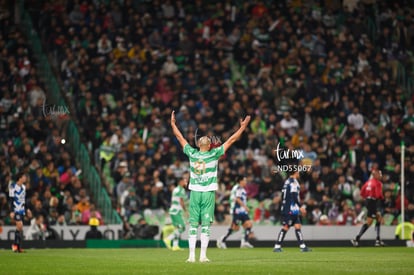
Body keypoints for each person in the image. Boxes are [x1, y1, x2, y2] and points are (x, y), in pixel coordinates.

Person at [170, 110, 251, 263]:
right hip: (207, 192)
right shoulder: (215, 153)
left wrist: (173, 124)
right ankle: (202, 256)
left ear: (200, 144)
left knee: (194, 224)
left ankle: (192, 257)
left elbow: (179, 137)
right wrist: (242, 128)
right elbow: (231, 140)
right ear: (208, 144)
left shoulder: (192, 153)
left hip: (195, 192)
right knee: (205, 224)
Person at [273, 170, 311, 252]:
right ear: (295, 172)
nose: (299, 173)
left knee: (297, 226)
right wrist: (300, 207)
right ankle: (277, 246)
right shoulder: (293, 182)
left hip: (291, 208)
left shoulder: (287, 181)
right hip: (290, 209)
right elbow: (294, 196)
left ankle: (302, 246)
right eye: (298, 171)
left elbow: (284, 195)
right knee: (286, 227)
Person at [217, 176, 254, 249]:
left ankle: (244, 241)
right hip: (237, 210)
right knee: (235, 228)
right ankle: (222, 240)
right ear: (240, 181)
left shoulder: (240, 188)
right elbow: (237, 199)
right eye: (244, 180)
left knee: (248, 224)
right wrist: (245, 207)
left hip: (242, 211)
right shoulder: (238, 188)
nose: (246, 182)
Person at [351, 168, 385, 247]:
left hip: (368, 201)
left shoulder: (367, 182)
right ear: (374, 174)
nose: (381, 175)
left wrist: (367, 198)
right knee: (369, 222)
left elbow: (362, 193)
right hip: (373, 202)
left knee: (378, 218)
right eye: (379, 174)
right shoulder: (378, 183)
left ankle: (377, 239)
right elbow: (378, 195)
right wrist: (382, 198)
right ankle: (356, 239)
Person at [163, 175, 188, 251]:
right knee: (182, 227)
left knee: (177, 228)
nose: (185, 182)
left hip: (173, 210)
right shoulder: (181, 190)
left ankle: (175, 245)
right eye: (184, 181)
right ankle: (168, 239)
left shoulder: (175, 189)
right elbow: (181, 201)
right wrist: (185, 210)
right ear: (180, 182)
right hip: (177, 211)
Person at [9, 172, 31, 253]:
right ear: (20, 178)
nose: (25, 178)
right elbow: (11, 199)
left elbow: (24, 200)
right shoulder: (13, 187)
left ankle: (17, 246)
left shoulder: (24, 187)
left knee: (19, 228)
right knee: (20, 225)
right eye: (24, 177)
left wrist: (27, 209)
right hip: (15, 209)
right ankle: (15, 245)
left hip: (22, 209)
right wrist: (11, 211)